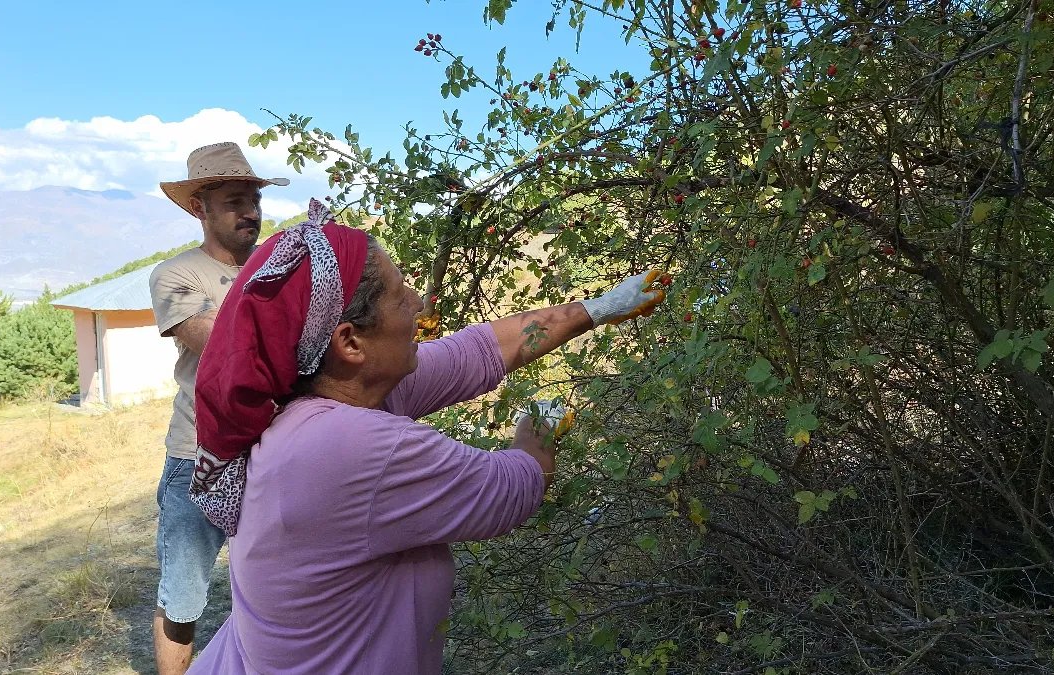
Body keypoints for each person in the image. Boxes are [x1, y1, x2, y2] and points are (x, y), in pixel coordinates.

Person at [183, 199, 666, 673]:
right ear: (350, 342)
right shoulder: (349, 446)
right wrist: (536, 429)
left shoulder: (327, 397)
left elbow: (479, 351)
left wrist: (601, 307)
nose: (418, 302)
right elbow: (511, 488)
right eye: (399, 295)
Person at [148, 142, 289, 675]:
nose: (250, 211)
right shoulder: (176, 275)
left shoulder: (281, 267)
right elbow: (218, 345)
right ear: (199, 207)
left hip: (275, 450)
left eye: (253, 198)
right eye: (234, 200)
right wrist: (288, 317)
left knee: (276, 587)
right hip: (197, 456)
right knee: (183, 599)